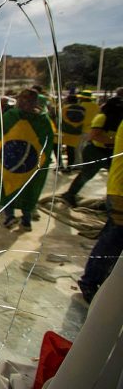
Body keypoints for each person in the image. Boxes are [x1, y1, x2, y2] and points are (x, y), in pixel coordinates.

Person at [0, 89, 54, 231]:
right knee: (28, 189)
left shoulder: (10, 116)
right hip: (30, 164)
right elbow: (48, 141)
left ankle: (10, 217)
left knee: (8, 187)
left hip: (9, 162)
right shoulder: (43, 120)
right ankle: (26, 220)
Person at [77, 119, 123, 303]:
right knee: (114, 239)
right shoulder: (103, 117)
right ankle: (91, 281)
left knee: (113, 236)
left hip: (117, 188)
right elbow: (96, 134)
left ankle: (98, 279)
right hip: (120, 191)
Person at [61, 97, 123, 206]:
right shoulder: (102, 118)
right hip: (95, 151)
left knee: (115, 177)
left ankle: (111, 201)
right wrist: (115, 140)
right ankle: (69, 194)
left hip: (110, 151)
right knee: (86, 174)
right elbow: (94, 136)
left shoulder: (119, 119)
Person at [59, 94, 84, 171]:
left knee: (56, 147)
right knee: (71, 149)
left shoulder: (65, 108)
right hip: (76, 132)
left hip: (65, 132)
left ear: (68, 100)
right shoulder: (83, 108)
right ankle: (70, 166)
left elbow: (60, 120)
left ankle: (61, 165)